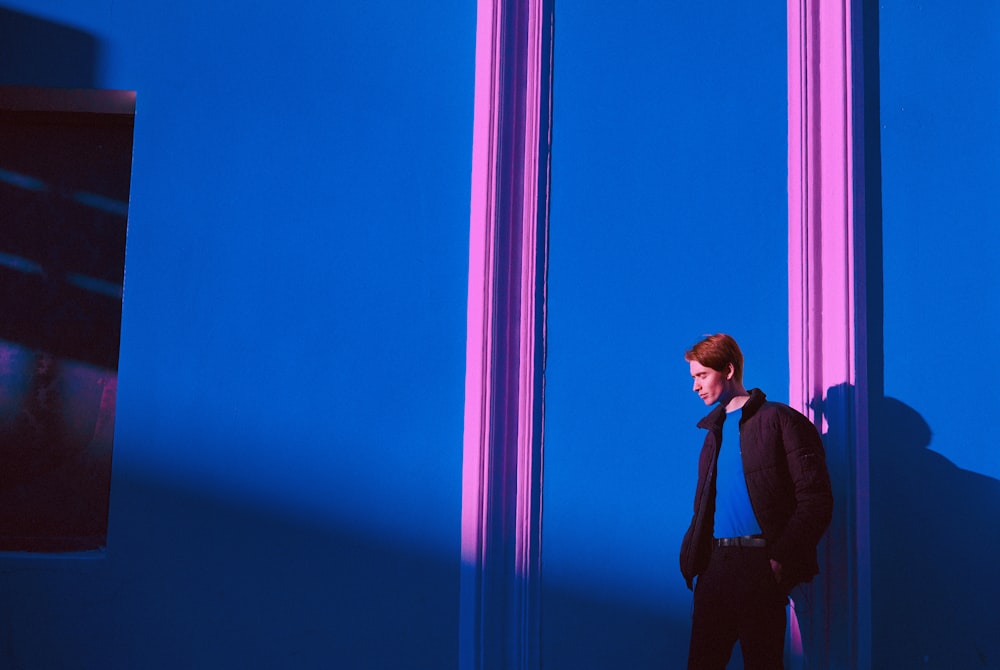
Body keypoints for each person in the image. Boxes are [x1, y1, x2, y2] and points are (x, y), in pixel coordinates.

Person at [679, 333, 833, 669]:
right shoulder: (713, 433)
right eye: (694, 378)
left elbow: (816, 499)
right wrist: (693, 559)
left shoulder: (781, 420)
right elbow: (705, 507)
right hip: (715, 567)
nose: (696, 387)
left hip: (760, 565)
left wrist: (781, 559)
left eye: (702, 375)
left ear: (729, 370)